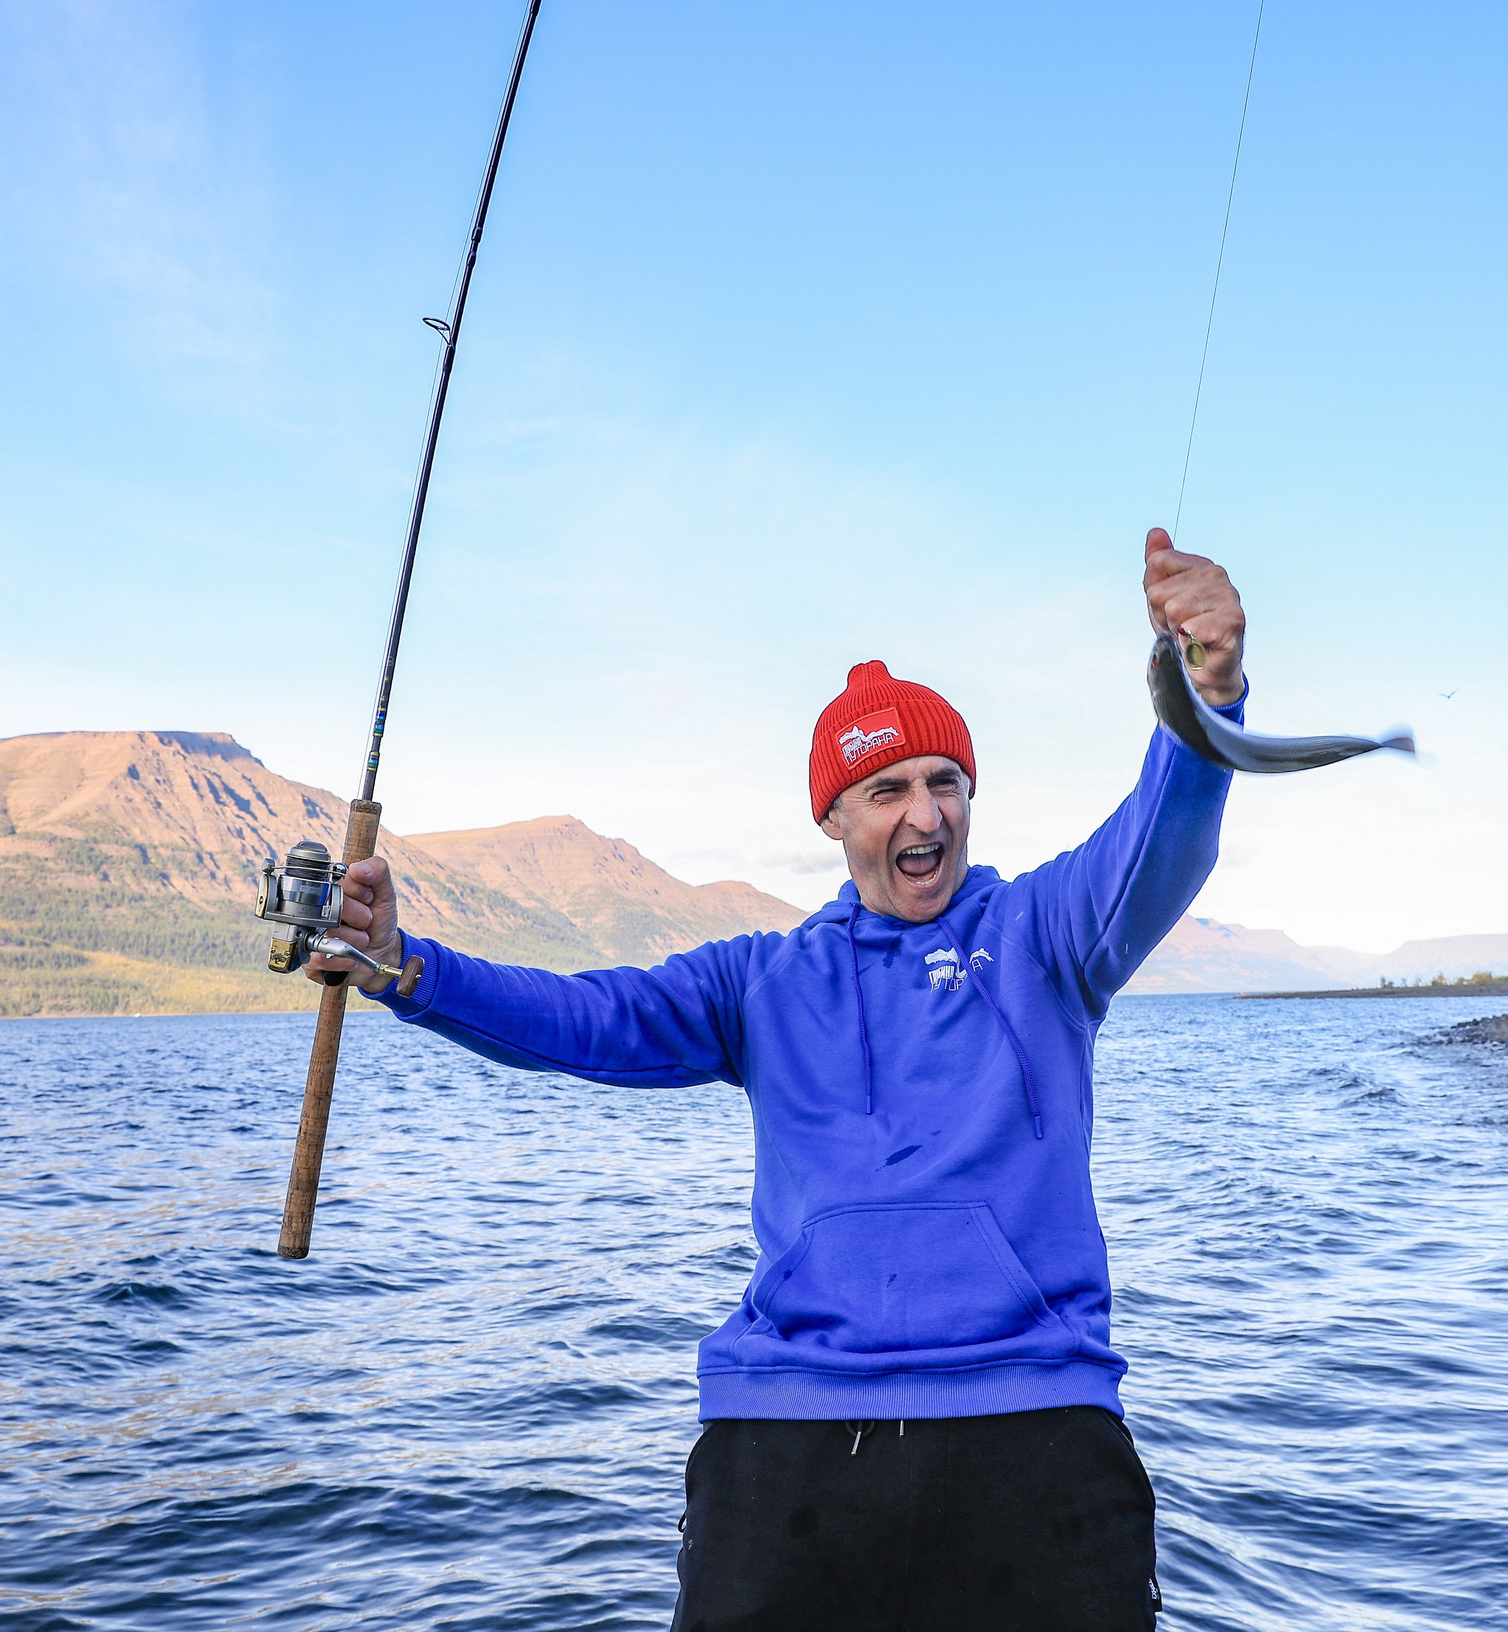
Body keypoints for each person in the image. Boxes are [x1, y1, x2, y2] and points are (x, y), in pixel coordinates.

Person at [311, 527, 1249, 1631]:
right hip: (789, 1444)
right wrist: (409, 968)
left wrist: (1207, 691)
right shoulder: (762, 980)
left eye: (947, 782)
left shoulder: (1049, 933)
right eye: (888, 787)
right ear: (835, 817)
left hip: (1034, 1427)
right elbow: (588, 1020)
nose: (926, 813)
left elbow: (1166, 833)